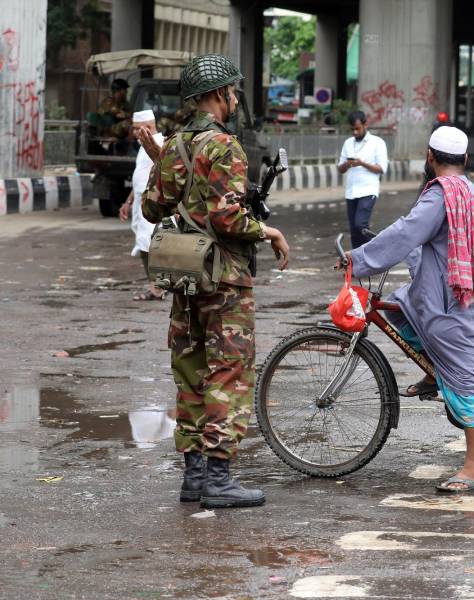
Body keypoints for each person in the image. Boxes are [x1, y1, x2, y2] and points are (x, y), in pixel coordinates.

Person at [142, 54, 290, 509]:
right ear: (219, 94)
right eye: (232, 91)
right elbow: (227, 217)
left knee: (190, 373)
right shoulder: (225, 145)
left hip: (185, 277)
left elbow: (152, 207)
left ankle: (194, 477)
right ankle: (220, 478)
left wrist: (159, 160)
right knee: (229, 372)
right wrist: (267, 231)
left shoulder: (176, 145)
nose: (235, 98)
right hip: (224, 279)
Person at [342, 126, 474, 493]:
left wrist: (357, 259)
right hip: (449, 289)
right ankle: (433, 370)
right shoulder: (468, 189)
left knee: (464, 380)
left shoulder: (440, 196)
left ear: (430, 157)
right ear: (466, 160)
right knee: (399, 308)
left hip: (456, 299)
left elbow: (407, 232)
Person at [119, 110, 167, 301]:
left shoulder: (159, 145)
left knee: (149, 244)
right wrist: (128, 201)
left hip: (154, 203)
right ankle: (156, 287)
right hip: (140, 201)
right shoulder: (142, 146)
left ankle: (158, 288)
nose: (136, 133)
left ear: (148, 128)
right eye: (135, 129)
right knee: (145, 243)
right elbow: (139, 177)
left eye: (139, 129)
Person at [337, 110, 388, 249]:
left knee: (361, 225)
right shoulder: (348, 143)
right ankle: (357, 260)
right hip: (351, 191)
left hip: (368, 189)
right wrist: (347, 164)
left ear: (365, 125)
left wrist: (362, 163)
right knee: (354, 229)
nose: (355, 132)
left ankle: (371, 252)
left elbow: (382, 168)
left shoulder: (377, 143)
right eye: (352, 129)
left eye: (358, 128)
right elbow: (340, 169)